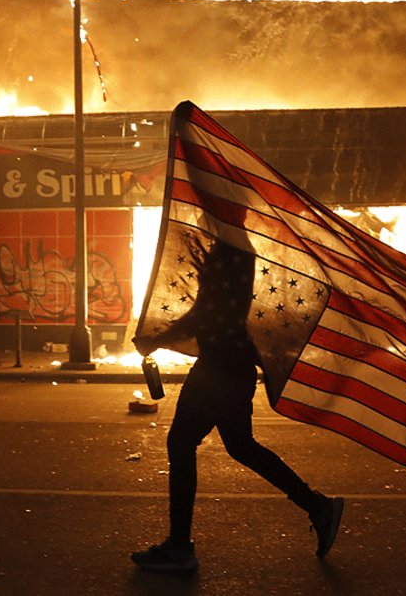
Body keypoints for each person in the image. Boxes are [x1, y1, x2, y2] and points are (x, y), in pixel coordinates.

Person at [130, 241, 344, 573]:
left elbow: (206, 313)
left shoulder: (230, 250)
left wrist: (157, 339)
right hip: (232, 365)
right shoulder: (234, 247)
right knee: (241, 446)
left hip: (220, 368)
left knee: (182, 443)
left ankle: (179, 547)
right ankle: (317, 507)